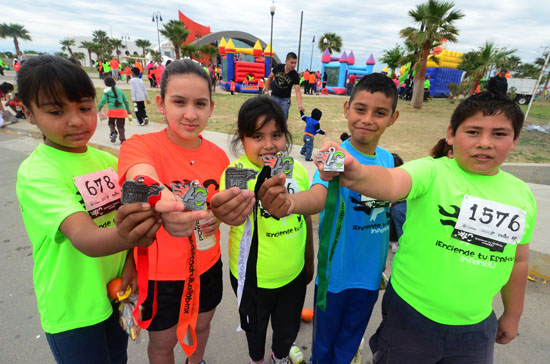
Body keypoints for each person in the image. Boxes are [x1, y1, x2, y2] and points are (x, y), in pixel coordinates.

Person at [315, 91, 537, 364]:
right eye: (473, 131)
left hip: (476, 328)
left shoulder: (522, 196)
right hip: (410, 316)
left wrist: (513, 315)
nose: (485, 143)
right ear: (451, 135)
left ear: (515, 140)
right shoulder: (432, 172)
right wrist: (353, 171)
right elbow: (390, 182)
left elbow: (518, 259)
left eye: (499, 134)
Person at [15, 55, 161, 364]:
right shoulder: (38, 173)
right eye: (56, 111)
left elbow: (130, 221)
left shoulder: (107, 162)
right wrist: (137, 232)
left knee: (118, 359)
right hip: (74, 310)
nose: (76, 120)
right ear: (28, 112)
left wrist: (131, 266)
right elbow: (86, 237)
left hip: (114, 295)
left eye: (84, 107)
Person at [258, 73, 399, 364]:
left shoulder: (388, 160)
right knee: (323, 348)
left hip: (371, 276)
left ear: (393, 118)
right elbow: (318, 195)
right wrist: (290, 204)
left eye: (380, 113)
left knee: (349, 344)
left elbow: (393, 197)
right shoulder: (334, 155)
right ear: (347, 109)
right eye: (360, 109)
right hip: (335, 276)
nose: (368, 119)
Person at [117, 59, 228, 364]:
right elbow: (140, 175)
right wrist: (162, 199)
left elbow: (218, 206)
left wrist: (220, 214)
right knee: (163, 343)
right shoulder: (140, 145)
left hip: (207, 265)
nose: (190, 114)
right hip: (159, 274)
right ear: (161, 103)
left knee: (202, 326)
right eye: (179, 102)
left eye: (200, 104)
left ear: (211, 107)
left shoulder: (219, 157)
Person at [212, 96, 313, 364]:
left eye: (276, 135)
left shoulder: (299, 172)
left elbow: (304, 219)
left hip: (293, 275)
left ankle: (279, 356)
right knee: (254, 330)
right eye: (257, 136)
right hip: (252, 280)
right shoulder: (235, 175)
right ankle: (257, 359)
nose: (269, 145)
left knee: (287, 330)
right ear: (242, 139)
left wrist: (308, 262)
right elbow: (229, 217)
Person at [265, 52, 305, 120]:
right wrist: (266, 91)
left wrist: (300, 104)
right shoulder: (278, 67)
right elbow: (269, 78)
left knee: (282, 121)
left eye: (295, 63)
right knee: (271, 119)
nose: (294, 65)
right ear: (286, 61)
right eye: (292, 62)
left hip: (285, 100)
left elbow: (297, 91)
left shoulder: (295, 75)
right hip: (274, 97)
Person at [97, 76, 131, 144]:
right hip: (121, 111)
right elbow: (126, 101)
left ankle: (113, 132)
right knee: (121, 126)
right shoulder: (120, 91)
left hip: (112, 111)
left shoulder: (106, 91)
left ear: (106, 83)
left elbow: (103, 100)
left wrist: (99, 108)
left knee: (111, 123)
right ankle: (123, 139)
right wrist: (128, 110)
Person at [389, 153, 405, 253]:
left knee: (397, 210)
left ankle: (399, 240)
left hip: (398, 203)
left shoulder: (403, 177)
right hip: (387, 202)